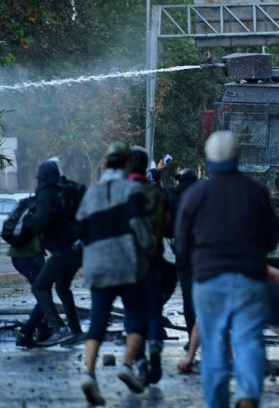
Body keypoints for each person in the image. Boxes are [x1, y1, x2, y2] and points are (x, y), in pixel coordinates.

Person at [175, 131, 279, 408]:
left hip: (209, 280)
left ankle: (217, 402)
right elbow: (272, 236)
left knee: (214, 344)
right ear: (237, 156)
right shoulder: (255, 192)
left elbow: (182, 243)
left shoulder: (196, 194)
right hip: (250, 278)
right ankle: (247, 394)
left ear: (209, 158)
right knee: (248, 340)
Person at [75, 142, 155, 405]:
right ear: (128, 165)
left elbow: (81, 232)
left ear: (104, 165)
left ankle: (88, 373)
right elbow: (138, 226)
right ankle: (127, 365)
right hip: (126, 264)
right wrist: (149, 248)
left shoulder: (91, 194)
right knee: (138, 317)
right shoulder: (132, 189)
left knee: (98, 319)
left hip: (98, 265)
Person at [178, 265, 279, 380]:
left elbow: (202, 322)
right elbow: (278, 274)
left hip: (230, 283)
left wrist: (190, 357)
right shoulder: (250, 248)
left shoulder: (215, 259)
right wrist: (273, 309)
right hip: (261, 282)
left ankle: (233, 363)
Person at [23, 159, 83, 346]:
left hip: (62, 251)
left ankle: (59, 328)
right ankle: (75, 332)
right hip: (77, 249)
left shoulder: (46, 193)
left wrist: (27, 222)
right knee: (62, 287)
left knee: (39, 287)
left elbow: (41, 220)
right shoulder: (65, 189)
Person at [127, 146, 170, 385]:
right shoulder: (157, 193)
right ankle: (155, 343)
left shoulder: (121, 192)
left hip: (128, 261)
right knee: (154, 309)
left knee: (134, 312)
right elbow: (166, 225)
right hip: (153, 259)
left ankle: (140, 359)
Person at [167, 168, 199, 340]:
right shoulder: (201, 196)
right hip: (203, 254)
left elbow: (167, 224)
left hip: (182, 252)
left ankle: (191, 337)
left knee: (188, 297)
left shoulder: (172, 196)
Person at [10, 220, 52, 348]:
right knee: (44, 297)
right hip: (31, 256)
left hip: (18, 256)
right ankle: (25, 333)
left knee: (42, 295)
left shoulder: (29, 205)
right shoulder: (46, 204)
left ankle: (43, 330)